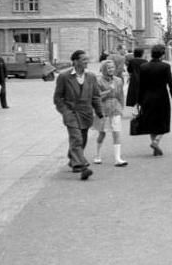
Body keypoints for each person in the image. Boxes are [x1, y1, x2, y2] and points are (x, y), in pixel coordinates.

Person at [53, 50, 103, 180]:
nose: (87, 62)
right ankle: (82, 165)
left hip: (86, 113)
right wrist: (65, 111)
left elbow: (96, 96)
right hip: (71, 112)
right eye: (84, 60)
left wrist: (99, 111)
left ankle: (73, 160)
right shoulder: (64, 76)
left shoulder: (91, 76)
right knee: (77, 138)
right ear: (75, 61)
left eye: (87, 60)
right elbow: (58, 98)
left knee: (83, 139)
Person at [138, 44, 172, 156]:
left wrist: (139, 100)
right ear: (162, 54)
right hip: (161, 97)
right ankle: (156, 141)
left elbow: (141, 85)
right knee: (163, 121)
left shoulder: (143, 67)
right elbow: (170, 83)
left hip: (147, 98)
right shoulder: (165, 66)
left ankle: (154, 145)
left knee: (151, 122)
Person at [93, 60, 128, 167]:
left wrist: (122, 107)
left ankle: (117, 158)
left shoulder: (118, 80)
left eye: (112, 67)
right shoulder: (98, 81)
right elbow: (96, 96)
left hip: (115, 108)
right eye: (108, 68)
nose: (111, 70)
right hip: (103, 110)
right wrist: (108, 91)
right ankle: (97, 155)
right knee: (102, 133)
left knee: (117, 132)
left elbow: (121, 95)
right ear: (103, 69)